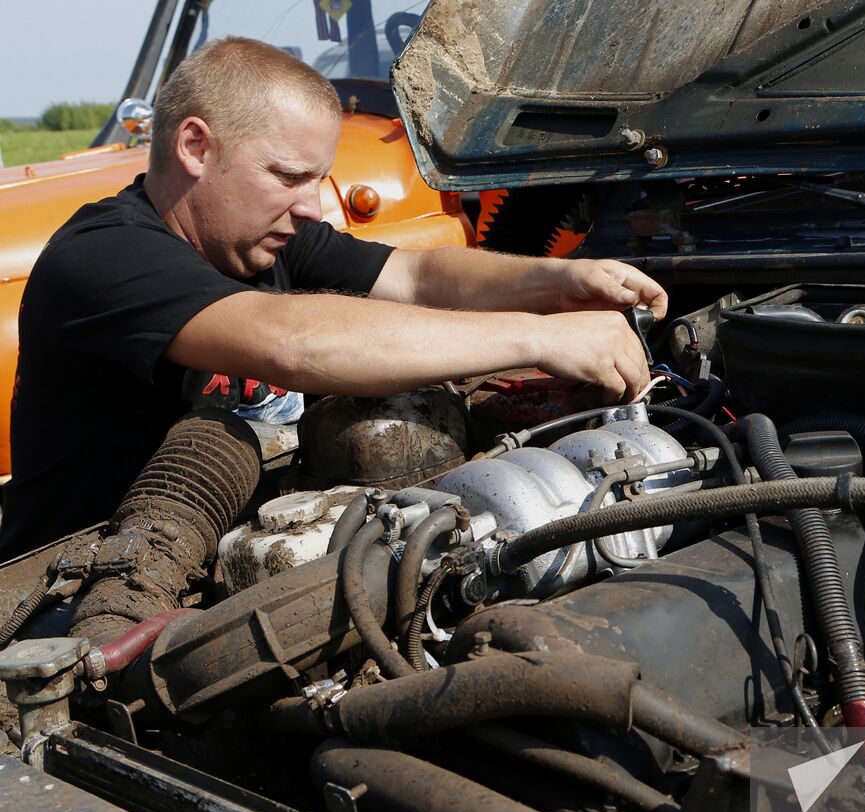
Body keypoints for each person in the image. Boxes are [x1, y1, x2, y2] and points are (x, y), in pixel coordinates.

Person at [0, 37, 666, 560]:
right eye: (289, 176)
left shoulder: (267, 238)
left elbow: (418, 278)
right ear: (195, 146)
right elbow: (291, 341)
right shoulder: (103, 254)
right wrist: (543, 339)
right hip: (83, 601)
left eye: (318, 178)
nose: (312, 206)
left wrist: (556, 283)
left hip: (237, 554)